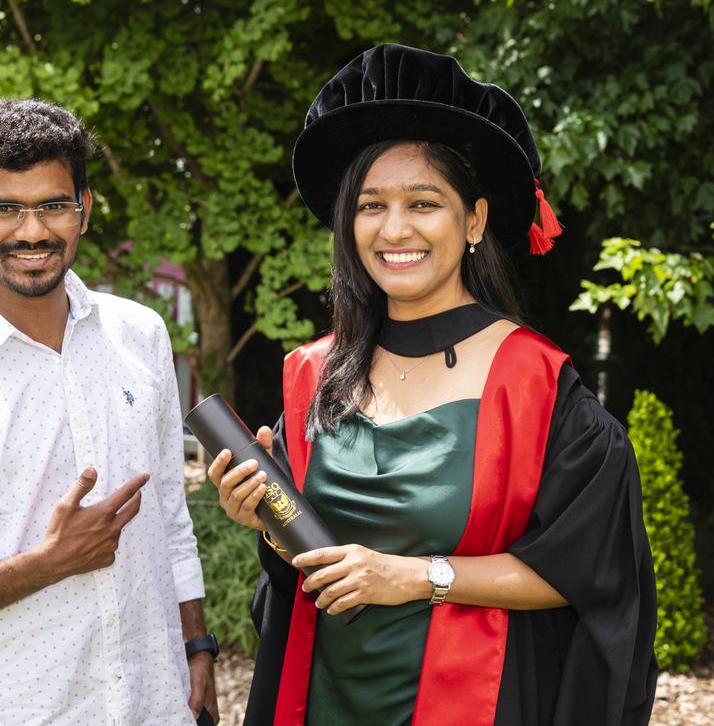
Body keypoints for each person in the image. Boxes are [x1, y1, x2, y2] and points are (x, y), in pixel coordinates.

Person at [208, 44, 658, 725]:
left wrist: (417, 577)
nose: (395, 229)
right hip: (323, 697)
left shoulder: (535, 383)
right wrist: (267, 527)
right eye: (370, 205)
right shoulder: (312, 375)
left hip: (471, 699)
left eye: (424, 202)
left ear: (473, 220)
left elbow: (591, 573)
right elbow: (313, 564)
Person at [0, 98, 219, 726]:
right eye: (1, 209)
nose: (32, 231)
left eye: (53, 204)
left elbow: (169, 519)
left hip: (158, 707)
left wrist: (197, 649)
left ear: (85, 209)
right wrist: (44, 565)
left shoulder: (141, 336)